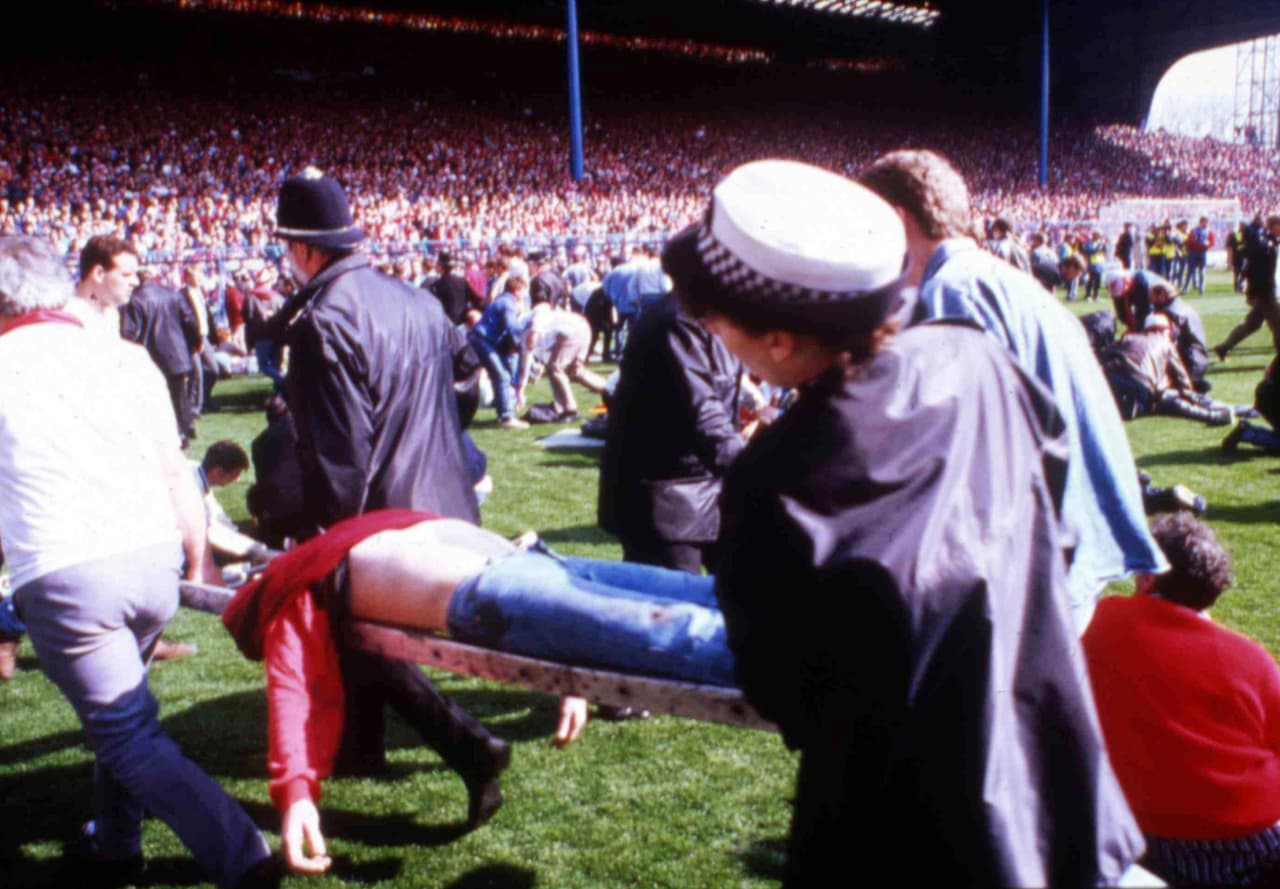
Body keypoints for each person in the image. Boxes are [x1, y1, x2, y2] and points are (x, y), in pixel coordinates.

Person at [668, 160, 1143, 885]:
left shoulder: (777, 478)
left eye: (717, 320)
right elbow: (1054, 522)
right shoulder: (976, 357)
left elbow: (781, 686)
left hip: (899, 830)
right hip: (1055, 787)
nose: (713, 336)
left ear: (781, 339)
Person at [0, 236, 275, 888]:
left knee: (128, 734)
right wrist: (198, 558)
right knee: (124, 715)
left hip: (70, 573)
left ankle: (245, 858)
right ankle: (118, 843)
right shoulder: (124, 356)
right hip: (154, 561)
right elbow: (178, 473)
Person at [273, 168, 509, 872]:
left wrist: (327, 533)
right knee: (361, 637)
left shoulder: (323, 320)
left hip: (383, 513)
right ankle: (362, 747)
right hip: (445, 498)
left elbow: (340, 455)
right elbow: (465, 384)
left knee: (352, 626)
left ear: (304, 249)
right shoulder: (416, 299)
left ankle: (469, 746)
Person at [859, 149, 1164, 632]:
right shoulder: (1014, 286)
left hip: (1023, 576)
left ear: (897, 220)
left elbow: (960, 459)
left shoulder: (952, 292)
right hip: (1067, 555)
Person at [1083, 513, 1280, 887]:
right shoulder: (1252, 660)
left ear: (1148, 578)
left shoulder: (1103, 623)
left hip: (1137, 839)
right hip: (1246, 844)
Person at [598, 291, 744, 574]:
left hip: (705, 489)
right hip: (667, 498)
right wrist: (761, 471)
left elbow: (717, 388)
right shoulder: (677, 323)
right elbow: (703, 414)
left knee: (739, 589)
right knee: (670, 596)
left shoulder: (712, 318)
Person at [120, 266, 203, 446]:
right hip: (176, 352)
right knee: (178, 393)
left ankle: (175, 432)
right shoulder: (171, 294)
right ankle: (185, 428)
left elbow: (129, 333)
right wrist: (195, 343)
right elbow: (189, 320)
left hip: (152, 356)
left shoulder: (134, 300)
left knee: (161, 398)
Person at [1102, 313, 1233, 425]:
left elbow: (1106, 357)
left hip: (1111, 384)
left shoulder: (1128, 338)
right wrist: (1190, 395)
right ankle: (1215, 417)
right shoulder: (1167, 344)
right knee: (1167, 401)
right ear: (1166, 330)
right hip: (1139, 389)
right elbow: (1182, 378)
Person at [515, 287, 607, 421]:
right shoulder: (523, 330)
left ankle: (570, 409)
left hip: (571, 330)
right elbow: (528, 363)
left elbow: (540, 314)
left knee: (555, 367)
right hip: (582, 326)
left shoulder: (524, 322)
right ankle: (613, 393)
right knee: (576, 371)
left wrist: (534, 333)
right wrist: (521, 390)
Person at [468, 261, 531, 429]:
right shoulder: (508, 304)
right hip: (482, 340)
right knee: (502, 376)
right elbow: (512, 328)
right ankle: (506, 417)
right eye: (524, 291)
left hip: (480, 339)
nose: (525, 295)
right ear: (517, 290)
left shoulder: (501, 300)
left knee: (500, 374)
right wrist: (521, 344)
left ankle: (502, 406)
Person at [1214, 213, 1280, 362]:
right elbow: (1254, 270)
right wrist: (1251, 293)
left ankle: (1224, 347)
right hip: (1267, 293)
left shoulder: (1272, 243)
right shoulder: (1264, 245)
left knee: (1251, 325)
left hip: (1269, 292)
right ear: (1273, 226)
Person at [70, 234, 139, 334]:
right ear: (99, 273)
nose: (136, 282)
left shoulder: (111, 314)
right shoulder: (65, 317)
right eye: (126, 275)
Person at [1184, 216, 1214, 295]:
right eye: (1204, 222)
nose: (1205, 224)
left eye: (1206, 222)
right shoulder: (1194, 230)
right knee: (1190, 271)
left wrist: (1208, 245)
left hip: (1202, 253)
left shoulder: (1209, 231)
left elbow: (1212, 242)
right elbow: (1189, 241)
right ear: (1200, 222)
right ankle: (1186, 288)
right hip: (1193, 252)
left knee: (1202, 271)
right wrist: (1195, 242)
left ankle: (1201, 289)